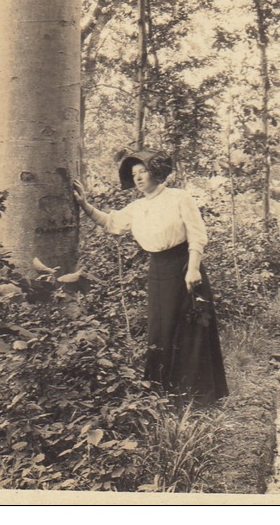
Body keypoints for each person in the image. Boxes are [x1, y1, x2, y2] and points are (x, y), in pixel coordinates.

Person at [72, 150, 228, 405]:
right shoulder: (137, 207)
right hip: (158, 271)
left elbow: (197, 234)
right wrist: (85, 205)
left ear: (156, 171)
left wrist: (193, 268)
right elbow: (112, 224)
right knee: (161, 330)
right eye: (133, 174)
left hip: (186, 266)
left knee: (192, 328)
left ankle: (201, 397)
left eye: (142, 171)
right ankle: (164, 396)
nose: (138, 178)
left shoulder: (179, 197)